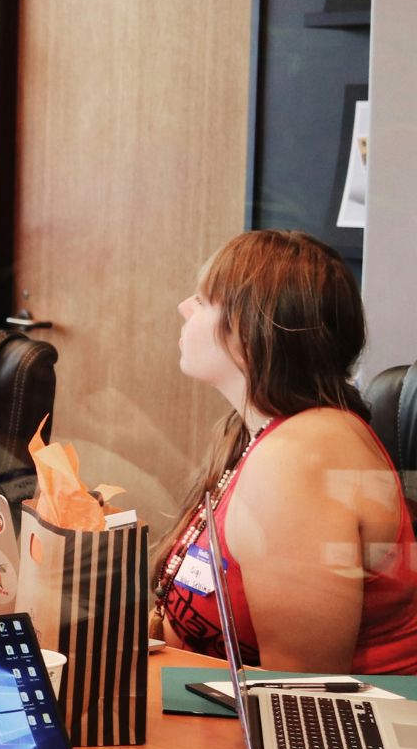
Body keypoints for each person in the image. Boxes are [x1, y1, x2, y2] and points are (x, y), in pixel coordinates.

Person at [155, 230, 417, 673]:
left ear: (248, 331)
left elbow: (298, 690)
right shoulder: (256, 433)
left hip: (333, 716)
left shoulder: (300, 457)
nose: (184, 307)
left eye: (202, 300)